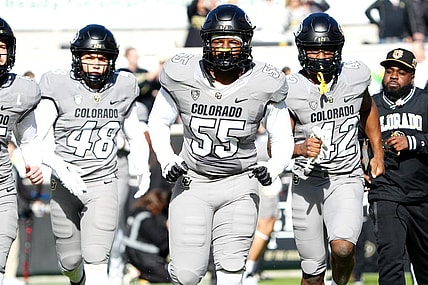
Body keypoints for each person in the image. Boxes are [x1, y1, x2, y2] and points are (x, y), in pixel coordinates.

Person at [148, 4, 294, 285]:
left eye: (233, 42)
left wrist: (274, 167)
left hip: (239, 183)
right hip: (194, 182)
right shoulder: (182, 73)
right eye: (218, 42)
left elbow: (282, 136)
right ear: (206, 43)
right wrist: (167, 158)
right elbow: (158, 122)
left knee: (230, 270)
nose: (225, 49)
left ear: (246, 44)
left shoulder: (265, 81)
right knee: (186, 274)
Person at [34, 24, 151, 285]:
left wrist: (142, 163)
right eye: (89, 57)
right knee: (70, 262)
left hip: (103, 182)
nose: (96, 64)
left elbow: (134, 131)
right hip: (65, 183)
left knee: (97, 258)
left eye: (102, 58)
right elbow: (36, 137)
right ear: (77, 58)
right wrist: (60, 166)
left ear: (112, 60)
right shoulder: (58, 84)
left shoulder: (122, 86)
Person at [285, 13, 385, 285]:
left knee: (343, 248)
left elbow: (368, 109)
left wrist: (378, 151)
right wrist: (300, 147)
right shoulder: (290, 89)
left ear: (338, 48)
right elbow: (276, 143)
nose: (320, 56)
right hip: (307, 181)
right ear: (302, 50)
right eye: (314, 50)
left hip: (345, 176)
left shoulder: (354, 76)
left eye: (327, 49)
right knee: (313, 271)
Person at [367, 48, 428, 285]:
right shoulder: (371, 105)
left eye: (401, 72)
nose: (393, 76)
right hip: (386, 191)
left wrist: (413, 141)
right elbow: (356, 140)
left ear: (412, 76)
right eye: (389, 71)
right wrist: (361, 167)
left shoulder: (424, 101)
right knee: (390, 260)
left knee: (424, 266)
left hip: (422, 194)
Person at [0, 17, 44, 285]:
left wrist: (34, 163)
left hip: (2, 184)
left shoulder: (21, 91)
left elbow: (27, 137)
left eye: (1, 46)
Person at [123, 188, 170, 283]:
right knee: (174, 275)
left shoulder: (136, 212)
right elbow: (162, 242)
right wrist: (169, 229)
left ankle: (139, 273)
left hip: (130, 256)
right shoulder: (147, 219)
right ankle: (142, 274)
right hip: (145, 258)